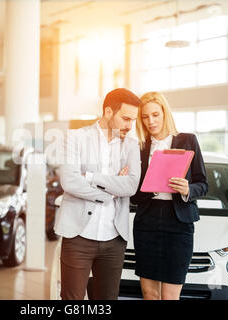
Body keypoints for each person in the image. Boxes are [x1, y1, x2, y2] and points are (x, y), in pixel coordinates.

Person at [55, 88, 141, 300]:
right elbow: (70, 181)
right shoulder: (75, 137)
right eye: (126, 118)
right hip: (78, 236)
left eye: (133, 120)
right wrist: (111, 192)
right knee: (71, 300)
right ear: (109, 112)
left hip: (114, 239)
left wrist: (92, 177)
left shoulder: (131, 145)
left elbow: (130, 186)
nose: (130, 126)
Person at [130, 91, 208, 300]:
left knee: (170, 295)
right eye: (145, 117)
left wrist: (188, 189)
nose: (150, 121)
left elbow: (203, 184)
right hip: (147, 221)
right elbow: (132, 196)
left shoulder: (188, 140)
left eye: (155, 115)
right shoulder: (139, 147)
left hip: (179, 223)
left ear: (165, 112)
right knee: (149, 293)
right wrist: (149, 188)